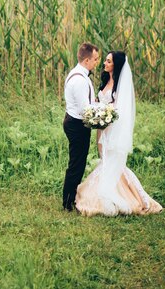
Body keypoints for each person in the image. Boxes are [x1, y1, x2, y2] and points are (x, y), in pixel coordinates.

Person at [75, 51, 163, 216]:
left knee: (114, 163)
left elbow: (119, 110)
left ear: (116, 65)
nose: (104, 64)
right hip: (102, 128)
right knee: (105, 160)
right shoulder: (105, 81)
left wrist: (105, 114)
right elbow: (99, 102)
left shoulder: (119, 87)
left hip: (112, 129)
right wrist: (97, 114)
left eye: (108, 61)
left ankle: (136, 198)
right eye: (105, 61)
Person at [62, 42, 100, 211]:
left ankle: (71, 198)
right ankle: (68, 202)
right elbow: (85, 110)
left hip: (76, 122)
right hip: (77, 125)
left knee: (78, 162)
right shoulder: (79, 80)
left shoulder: (81, 75)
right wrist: (102, 116)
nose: (96, 62)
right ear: (86, 60)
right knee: (76, 164)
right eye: (95, 59)